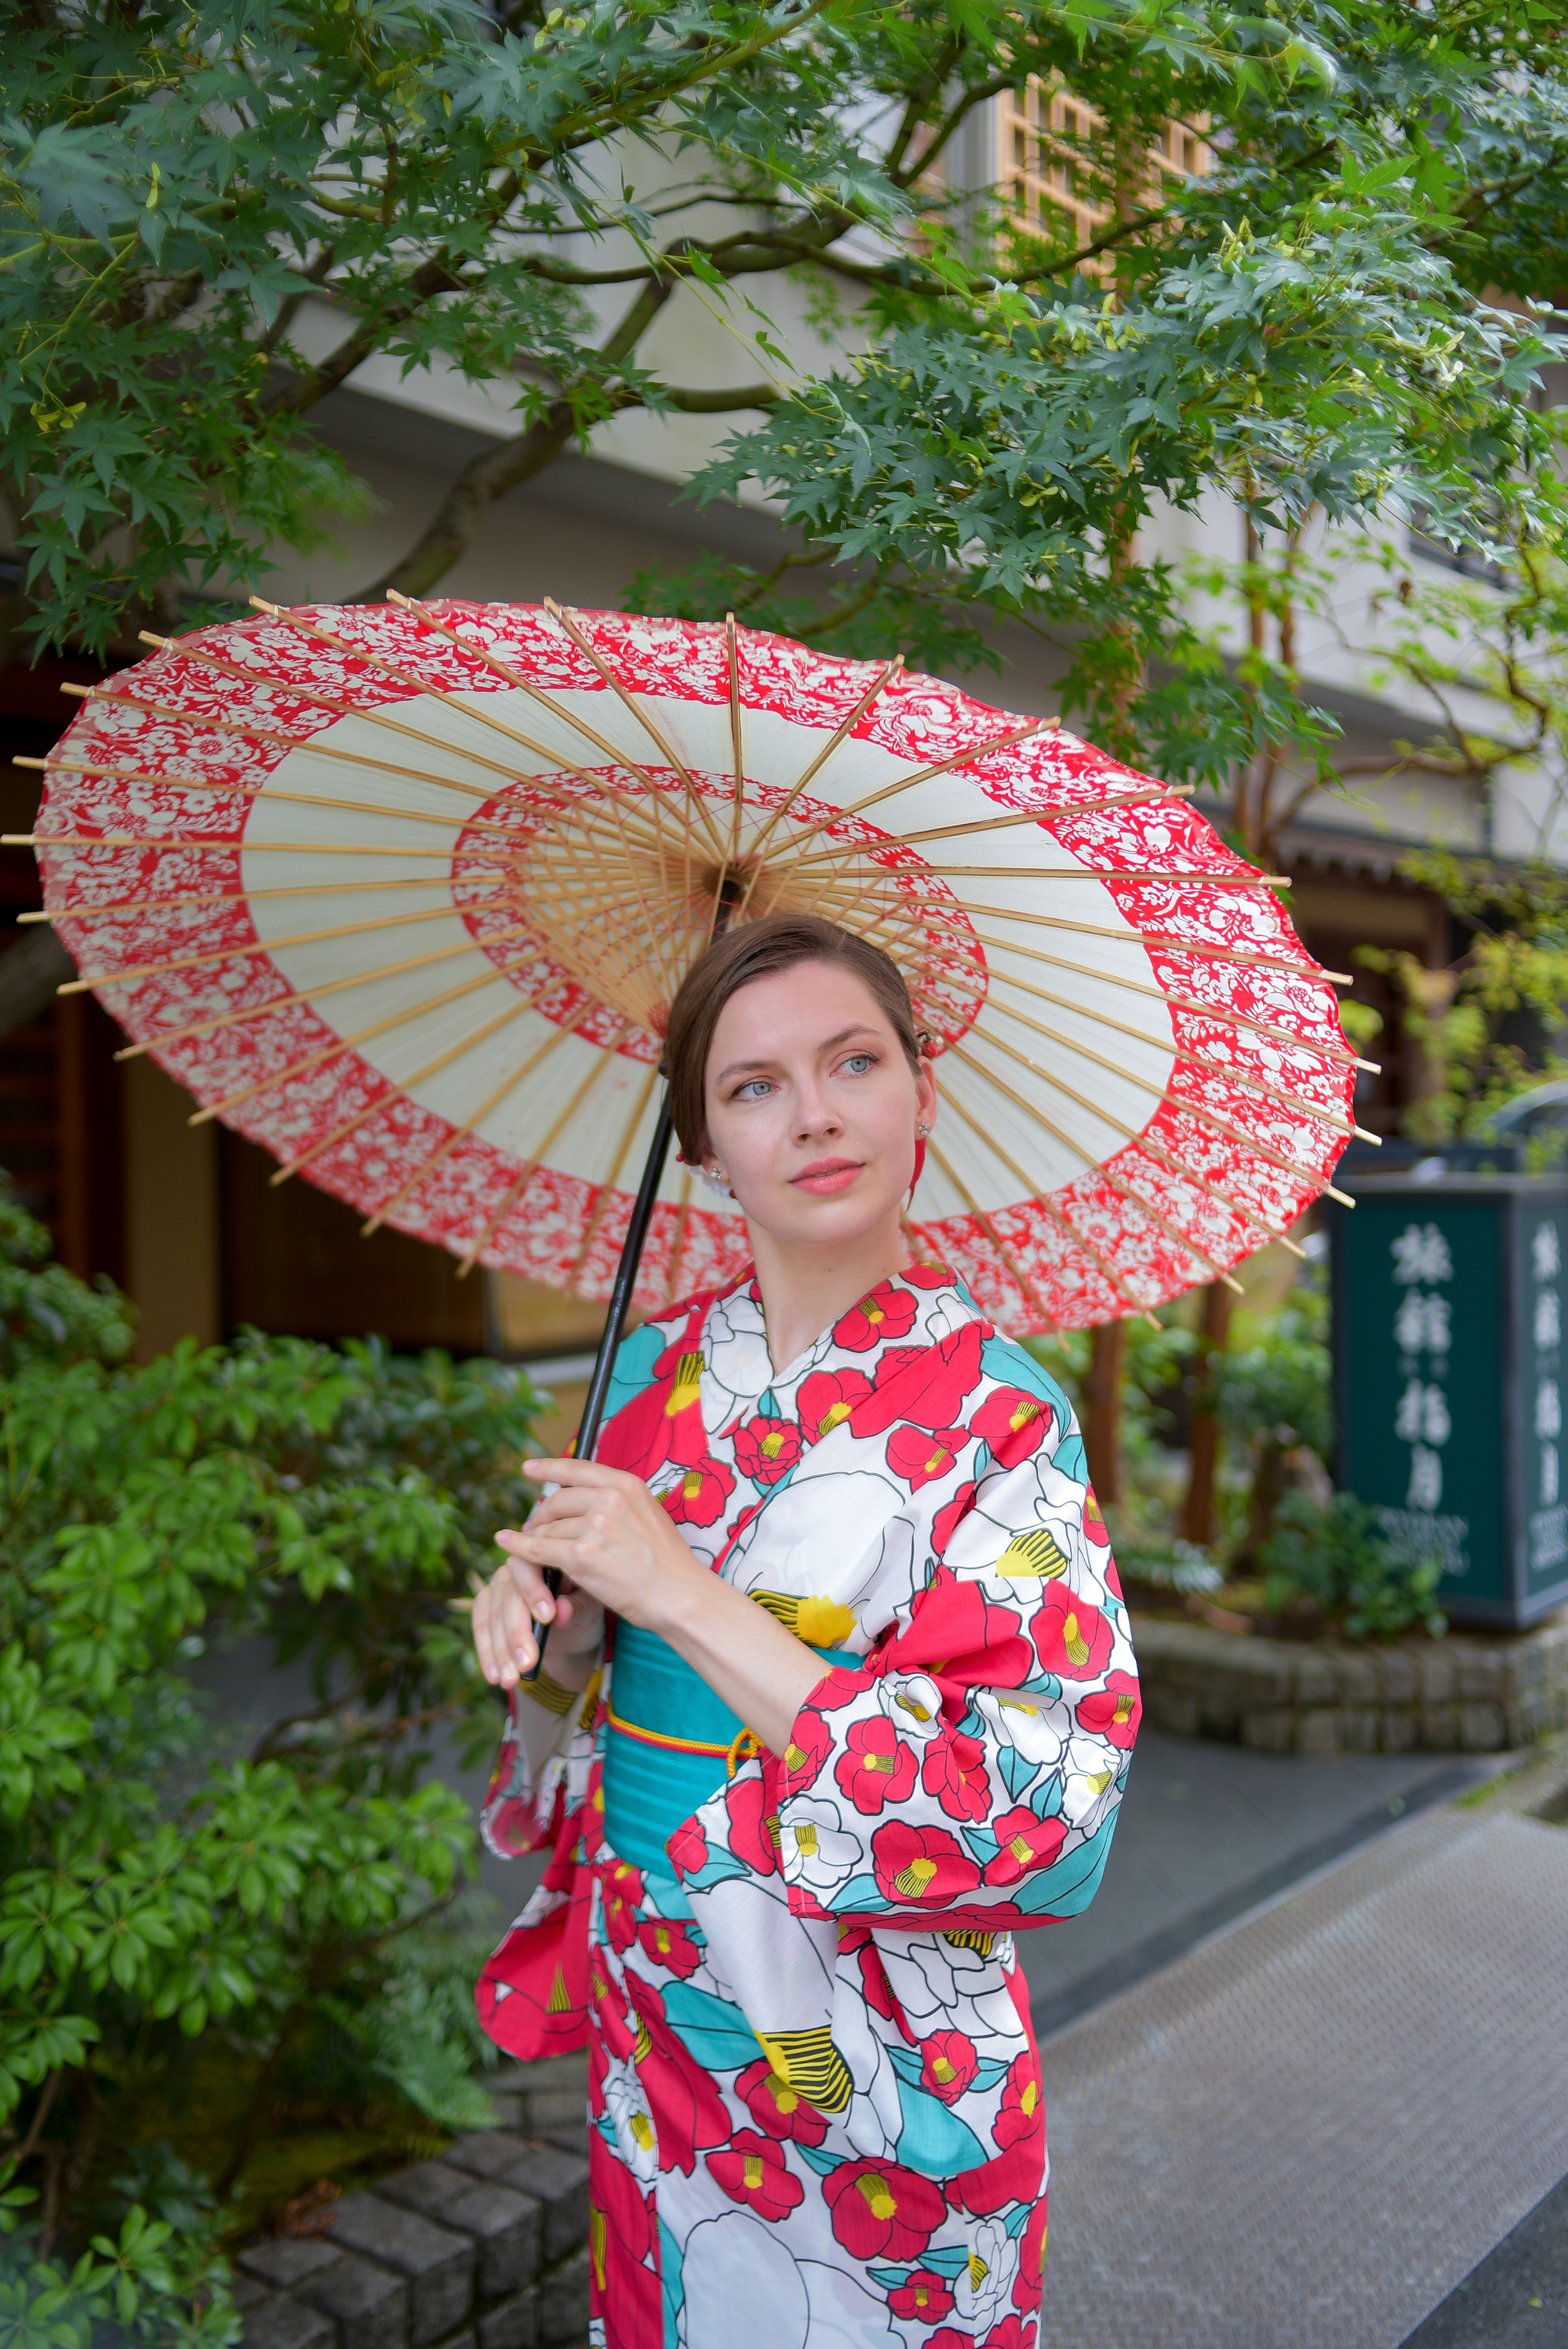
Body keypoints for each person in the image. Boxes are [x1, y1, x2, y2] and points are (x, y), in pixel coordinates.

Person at [469, 912, 1140, 2349]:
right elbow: (588, 1705)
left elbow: (1035, 1803)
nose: (815, 1114)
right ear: (701, 1148)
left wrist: (684, 1595)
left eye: (853, 1061)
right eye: (752, 1085)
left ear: (921, 1093)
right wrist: (556, 1632)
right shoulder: (643, 1380)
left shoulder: (1000, 1418)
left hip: (872, 2040)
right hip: (659, 2011)